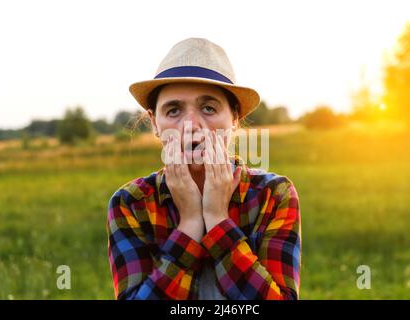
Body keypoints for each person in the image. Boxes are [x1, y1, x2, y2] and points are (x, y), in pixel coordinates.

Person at [106, 37, 301, 300]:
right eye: (173, 110)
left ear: (234, 119)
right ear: (154, 122)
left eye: (209, 108)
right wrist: (189, 224)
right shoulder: (130, 203)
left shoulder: (272, 195)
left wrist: (217, 218)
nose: (191, 125)